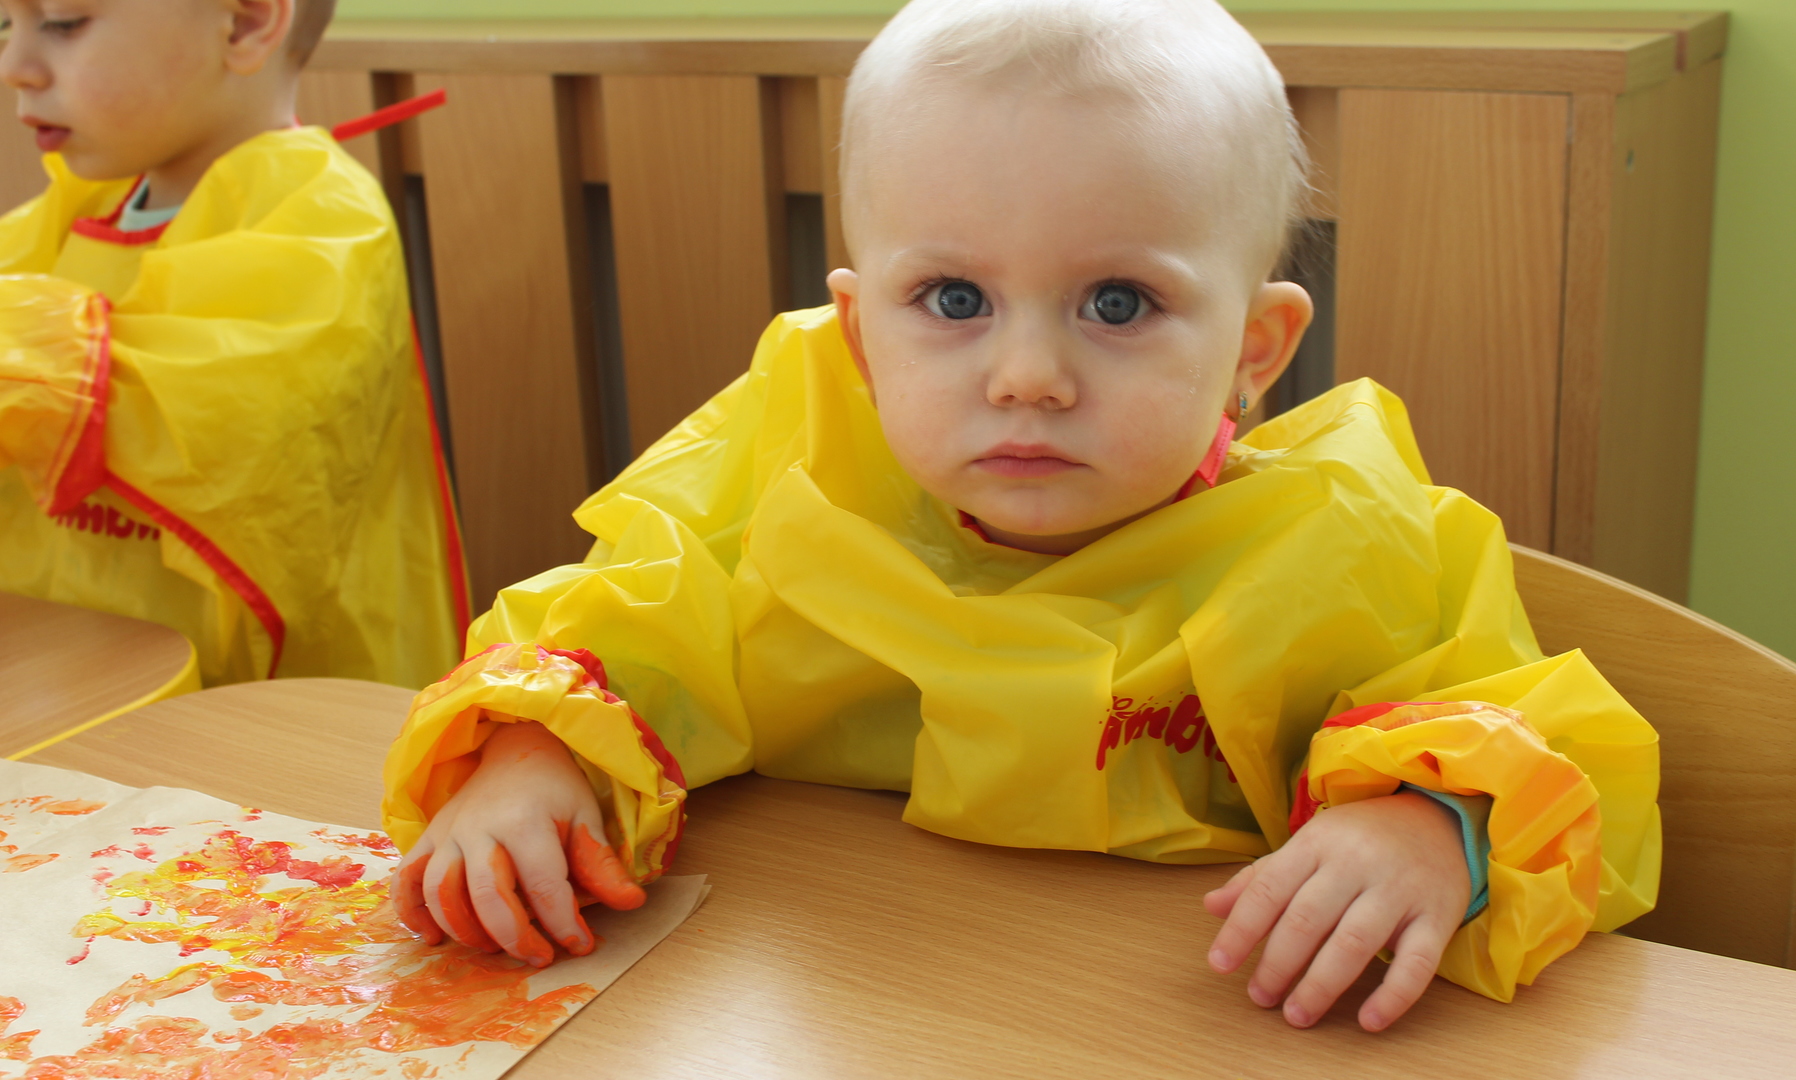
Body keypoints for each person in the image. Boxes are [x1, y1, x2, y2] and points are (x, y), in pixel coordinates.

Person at [381, 0, 1659, 1031]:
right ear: (861, 332)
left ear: (1254, 350)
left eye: (1117, 304)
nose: (1027, 376)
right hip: (840, 1008)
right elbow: (615, 628)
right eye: (953, 300)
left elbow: (1540, 745)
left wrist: (1432, 825)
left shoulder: (1342, 540)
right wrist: (532, 761)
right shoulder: (791, 475)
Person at [0, 0, 466, 688]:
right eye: (5, 24)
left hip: (279, 709)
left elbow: (203, 424)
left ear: (246, 24)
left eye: (63, 22)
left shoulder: (325, 220)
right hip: (70, 677)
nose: (14, 66)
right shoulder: (75, 208)